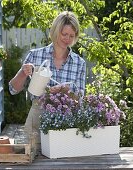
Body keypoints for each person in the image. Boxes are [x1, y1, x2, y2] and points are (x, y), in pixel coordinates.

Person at [8, 11, 86, 144]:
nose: (67, 39)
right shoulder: (35, 56)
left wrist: (65, 91)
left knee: (64, 161)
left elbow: (80, 98)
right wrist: (23, 72)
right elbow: (12, 89)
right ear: (55, 31)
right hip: (38, 116)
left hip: (67, 121)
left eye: (71, 36)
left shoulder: (79, 63)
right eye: (64, 34)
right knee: (34, 158)